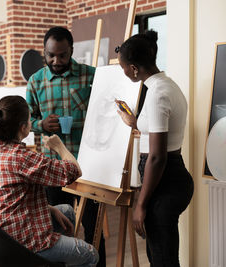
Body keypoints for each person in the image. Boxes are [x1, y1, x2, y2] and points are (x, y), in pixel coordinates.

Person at [0, 95, 99, 267]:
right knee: (90, 254)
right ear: (24, 127)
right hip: (22, 243)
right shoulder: (21, 157)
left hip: (0, 233)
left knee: (67, 212)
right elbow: (73, 170)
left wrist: (48, 208)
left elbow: (8, 197)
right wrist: (59, 146)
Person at [26, 26, 106, 266]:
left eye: (62, 55)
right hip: (51, 166)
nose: (56, 60)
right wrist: (40, 123)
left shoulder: (92, 76)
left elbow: (105, 114)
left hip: (88, 165)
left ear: (72, 50)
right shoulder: (35, 81)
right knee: (56, 226)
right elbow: (25, 122)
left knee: (93, 224)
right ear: (44, 52)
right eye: (51, 55)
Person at [115, 30, 194, 267]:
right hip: (168, 177)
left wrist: (141, 205)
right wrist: (135, 122)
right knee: (161, 255)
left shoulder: (158, 94)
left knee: (162, 259)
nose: (124, 72)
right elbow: (159, 130)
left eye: (124, 67)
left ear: (134, 68)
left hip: (164, 179)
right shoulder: (165, 85)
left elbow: (157, 157)